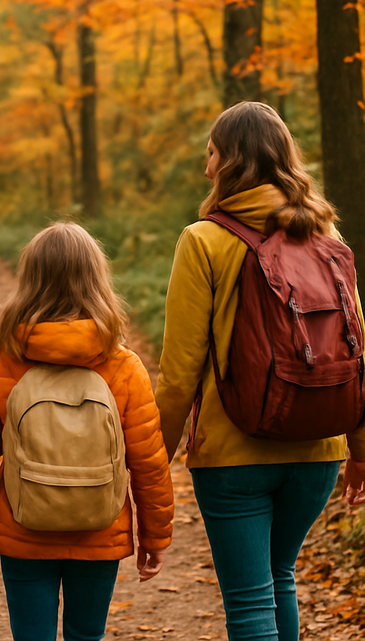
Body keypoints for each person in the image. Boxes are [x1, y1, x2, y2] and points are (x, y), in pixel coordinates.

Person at [156, 100, 365, 641]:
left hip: (233, 452)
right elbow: (358, 351)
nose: (206, 167)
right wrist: (359, 449)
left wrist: (154, 457)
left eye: (210, 153)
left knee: (250, 602)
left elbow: (180, 369)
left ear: (229, 161)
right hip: (320, 447)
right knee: (281, 578)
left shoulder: (202, 240)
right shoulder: (330, 241)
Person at [0, 222, 174, 641]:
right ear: (97, 281)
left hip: (23, 528)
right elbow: (148, 463)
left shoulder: (0, 361)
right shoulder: (122, 366)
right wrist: (155, 536)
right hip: (100, 528)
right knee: (87, 635)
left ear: (29, 281)